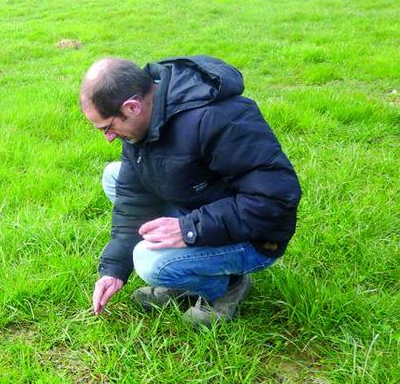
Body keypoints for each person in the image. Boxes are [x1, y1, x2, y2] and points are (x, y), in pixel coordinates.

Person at [79, 55, 302, 326]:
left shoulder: (217, 118)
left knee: (150, 261)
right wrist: (114, 270)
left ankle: (227, 286)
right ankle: (188, 273)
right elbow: (133, 200)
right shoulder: (141, 123)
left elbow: (276, 200)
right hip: (206, 207)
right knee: (114, 175)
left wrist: (188, 229)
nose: (109, 137)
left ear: (132, 106)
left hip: (257, 238)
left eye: (109, 127)